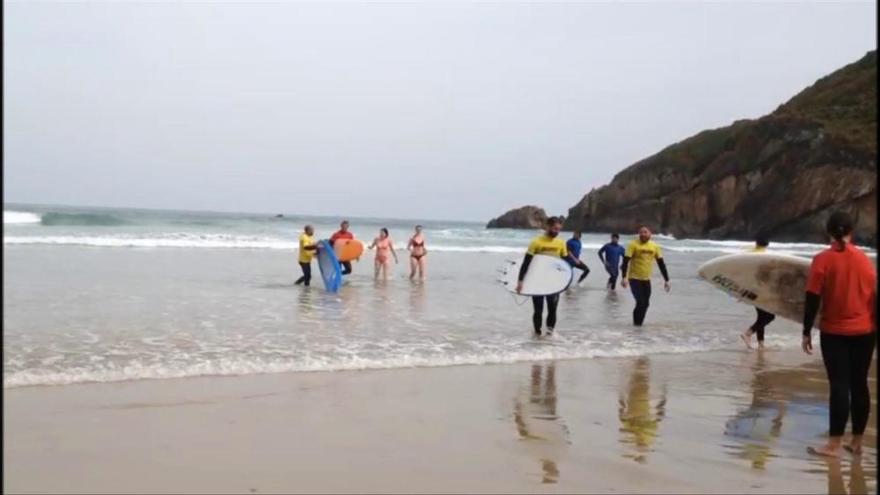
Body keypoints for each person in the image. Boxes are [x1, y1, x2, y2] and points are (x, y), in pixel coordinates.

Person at [802, 211, 876, 458]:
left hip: (835, 332)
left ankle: (833, 445)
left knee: (840, 386)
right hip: (866, 332)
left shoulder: (822, 260)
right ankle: (856, 443)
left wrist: (806, 331)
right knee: (860, 384)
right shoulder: (865, 259)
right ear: (851, 231)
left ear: (829, 232)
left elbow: (812, 299)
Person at [516, 217, 580, 337]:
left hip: (553, 282)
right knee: (538, 310)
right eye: (555, 229)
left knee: (552, 309)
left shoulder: (561, 243)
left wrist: (566, 280)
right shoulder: (536, 242)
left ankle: (550, 336)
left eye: (559, 230)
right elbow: (526, 263)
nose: (557, 232)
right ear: (548, 226)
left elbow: (565, 263)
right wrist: (520, 281)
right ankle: (537, 334)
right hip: (537, 281)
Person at [620, 227, 670, 326]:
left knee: (646, 304)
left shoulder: (654, 246)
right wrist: (624, 277)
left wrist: (667, 280)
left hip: (646, 279)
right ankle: (636, 324)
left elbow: (661, 264)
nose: (642, 234)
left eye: (645, 232)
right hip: (634, 278)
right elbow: (625, 261)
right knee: (640, 302)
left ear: (650, 234)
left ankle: (638, 326)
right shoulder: (633, 244)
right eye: (641, 232)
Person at [741, 235, 776, 349]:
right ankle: (748, 333)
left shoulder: (747, 254)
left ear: (756, 242)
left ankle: (761, 344)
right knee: (770, 316)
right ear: (767, 244)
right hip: (762, 290)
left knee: (761, 316)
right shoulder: (766, 256)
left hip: (751, 290)